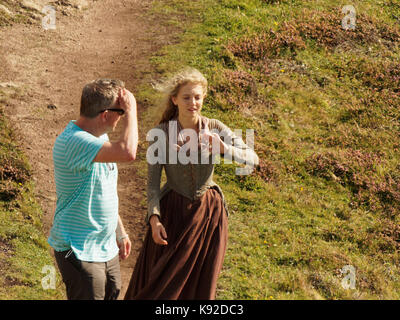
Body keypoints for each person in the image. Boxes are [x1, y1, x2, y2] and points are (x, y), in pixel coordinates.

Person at [124, 68, 259, 300]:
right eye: (186, 97)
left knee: (201, 287)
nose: (192, 103)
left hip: (209, 215)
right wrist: (154, 219)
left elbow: (253, 159)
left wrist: (225, 149)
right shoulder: (161, 134)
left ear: (204, 97)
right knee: (163, 288)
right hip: (173, 215)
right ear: (175, 99)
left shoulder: (215, 127)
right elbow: (153, 184)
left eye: (197, 97)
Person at [48, 79, 138, 300]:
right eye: (121, 112)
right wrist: (133, 109)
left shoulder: (99, 138)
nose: (122, 116)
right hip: (77, 248)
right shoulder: (74, 142)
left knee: (112, 293)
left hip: (104, 247)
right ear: (105, 114)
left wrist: (119, 230)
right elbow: (128, 151)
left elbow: (102, 190)